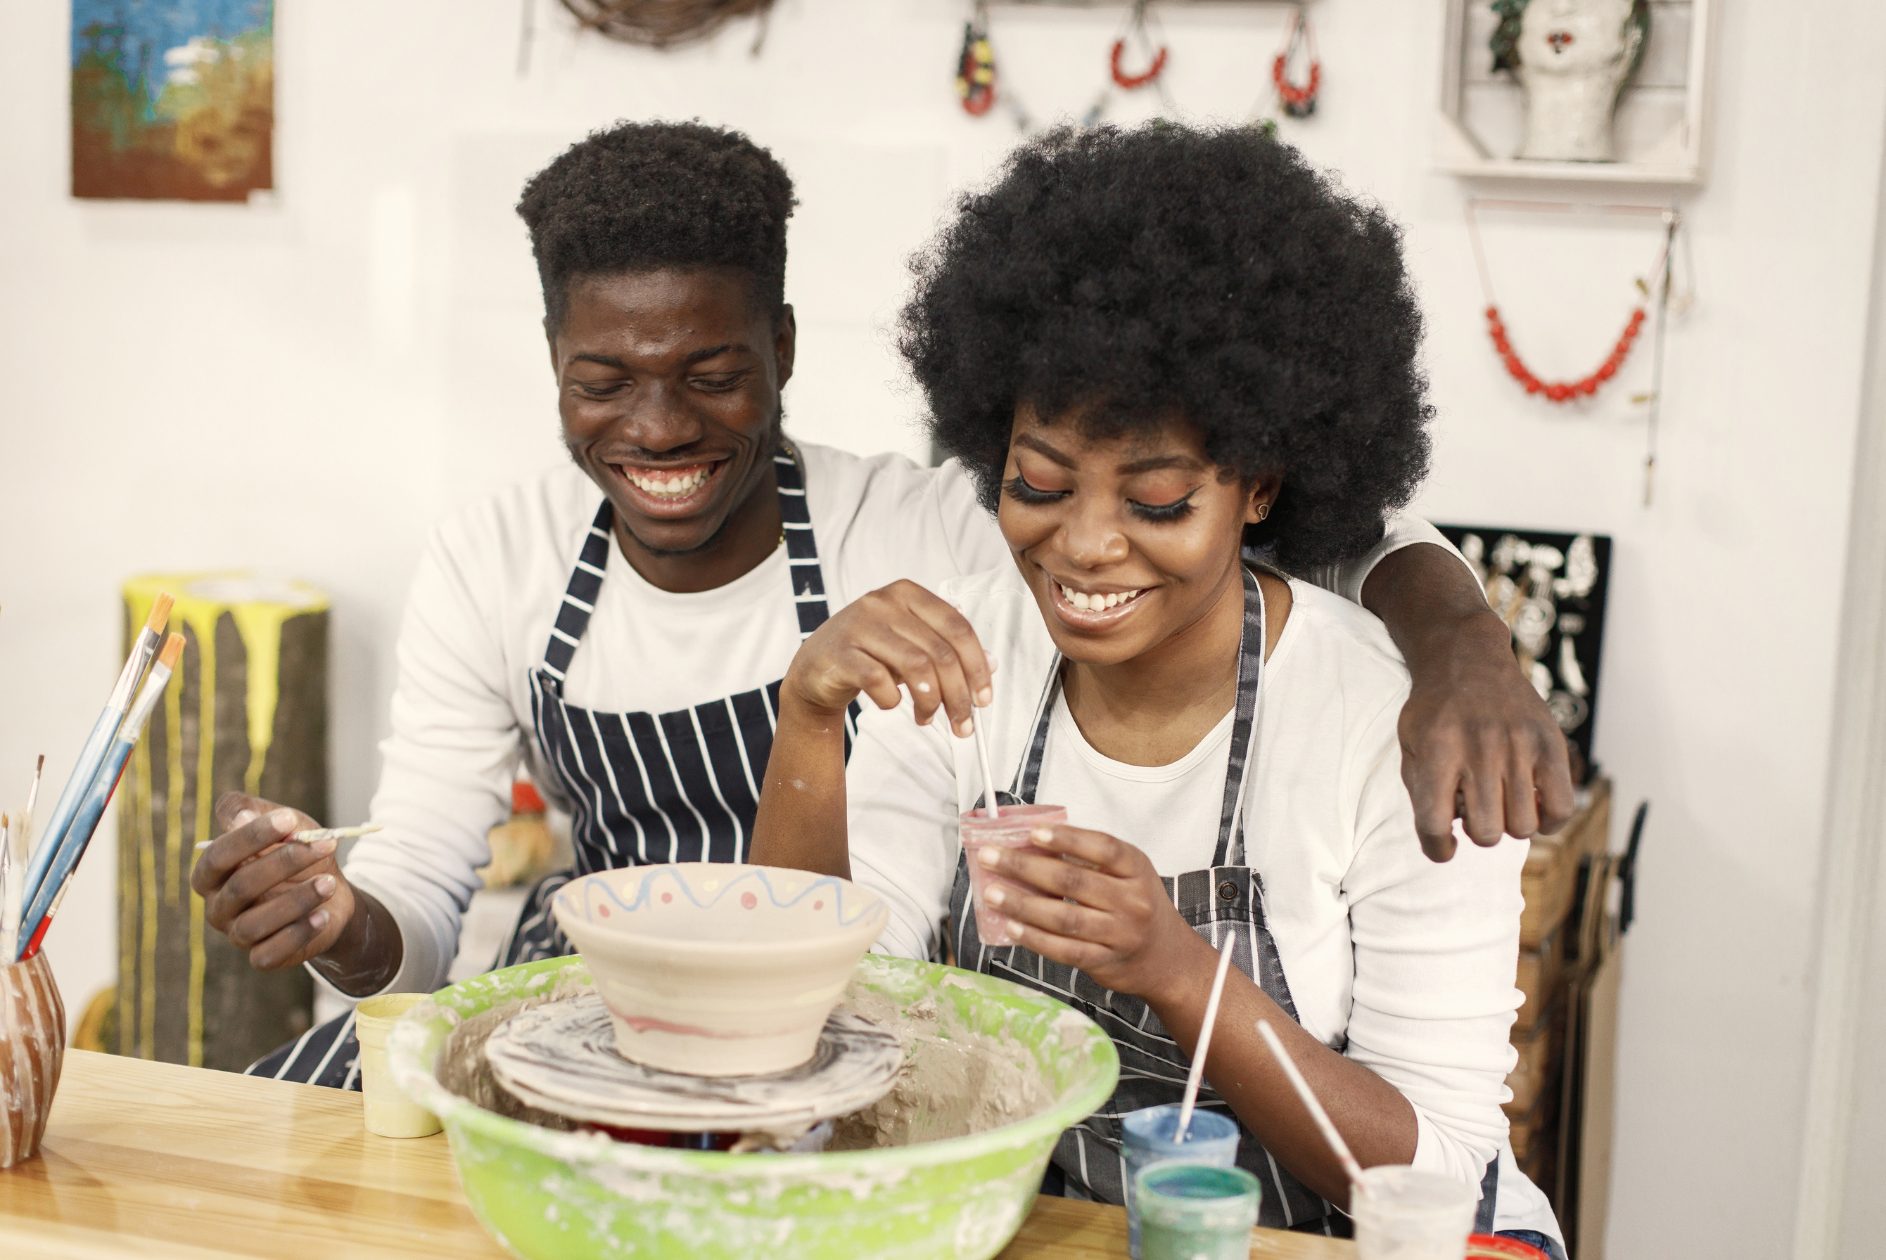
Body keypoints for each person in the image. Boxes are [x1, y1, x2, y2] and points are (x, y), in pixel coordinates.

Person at [190, 120, 1569, 1094]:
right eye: (604, 379)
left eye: (711, 371)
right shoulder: (497, 556)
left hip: (862, 1037)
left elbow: (1256, 521)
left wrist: (1455, 636)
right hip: (614, 1007)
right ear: (552, 361)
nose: (658, 427)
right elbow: (423, 904)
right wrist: (337, 924)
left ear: (785, 349)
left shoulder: (923, 533)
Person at [750, 123, 1564, 1255]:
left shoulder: (1395, 729)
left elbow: (1437, 1173)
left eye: (1158, 502)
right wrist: (808, 717)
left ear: (1259, 488)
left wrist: (1176, 972)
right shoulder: (959, 662)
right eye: (1038, 483)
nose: (1084, 547)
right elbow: (816, 1029)